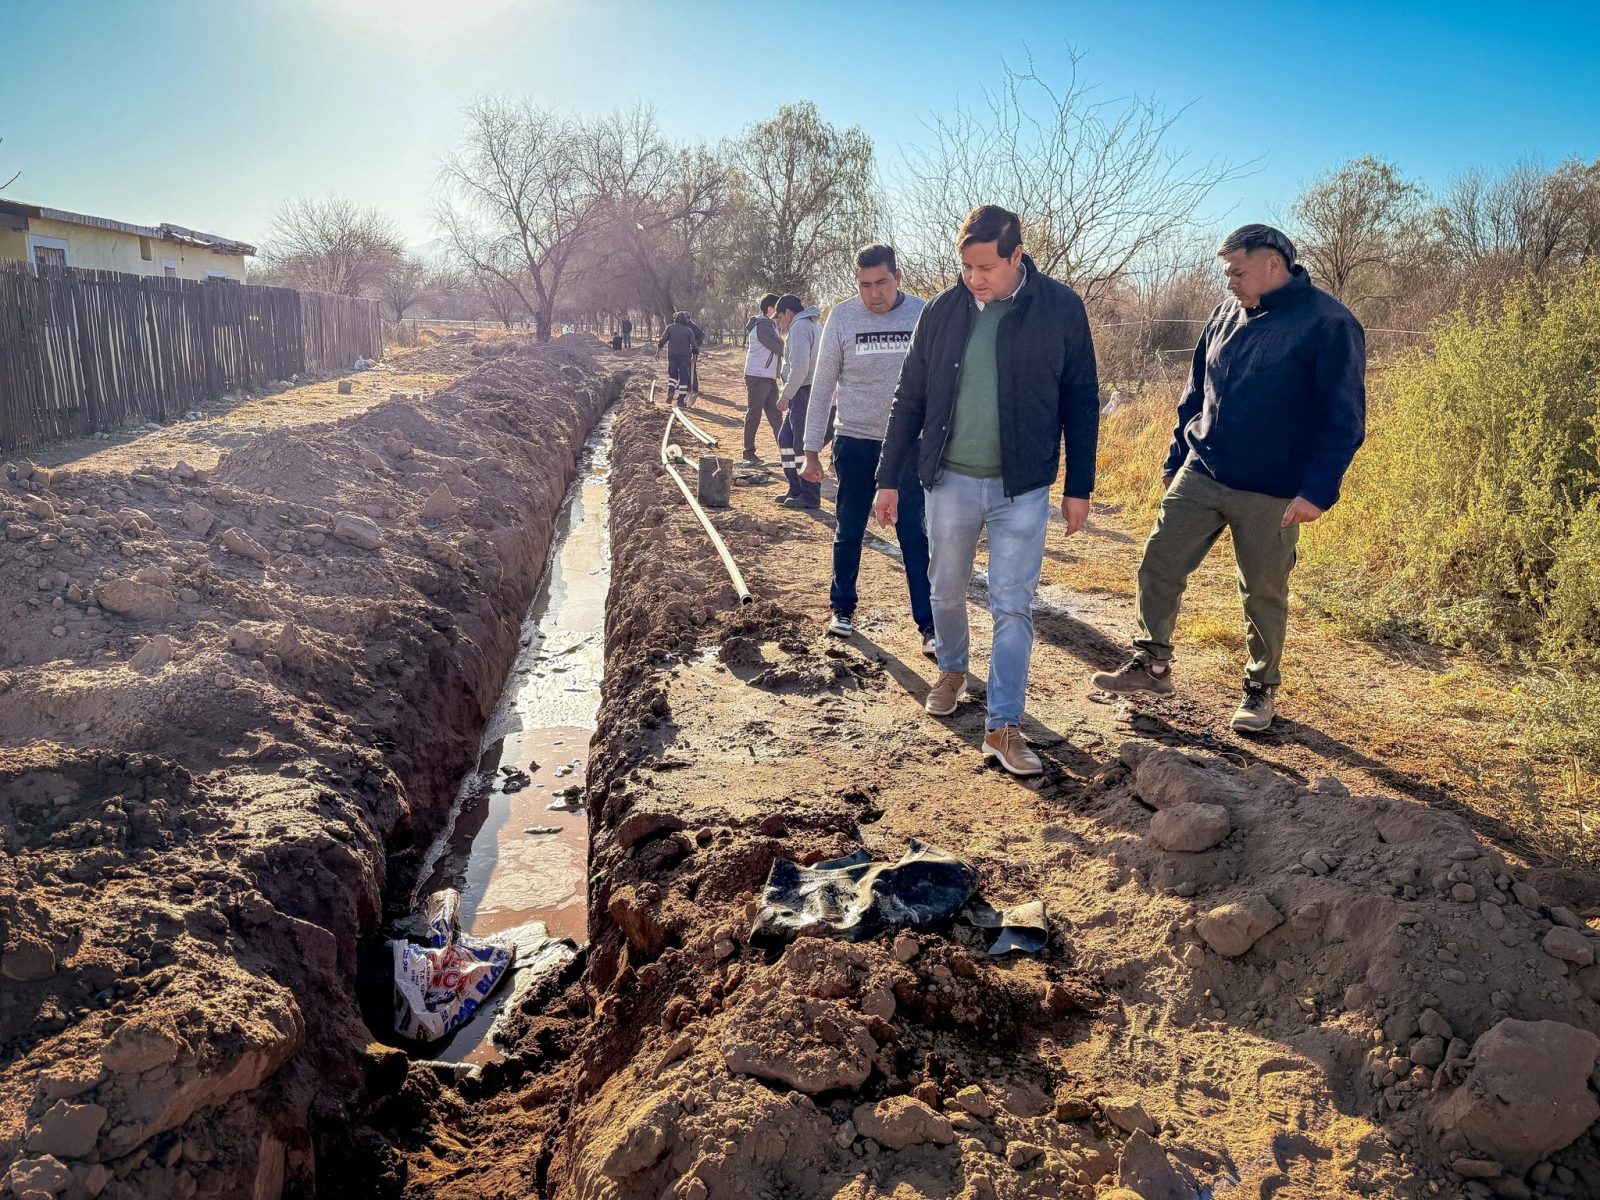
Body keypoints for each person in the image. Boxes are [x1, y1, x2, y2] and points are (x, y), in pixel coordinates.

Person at [1091, 224, 1366, 733]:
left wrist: (1317, 490)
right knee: (1159, 561)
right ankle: (1152, 663)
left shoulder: (1329, 324)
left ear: (1273, 266)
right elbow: (1195, 390)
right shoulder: (1225, 313)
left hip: (1274, 487)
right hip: (1204, 468)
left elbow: (1344, 418)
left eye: (1237, 272)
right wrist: (1177, 458)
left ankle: (1260, 689)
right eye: (1227, 273)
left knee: (1262, 590)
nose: (1230, 282)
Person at [874, 204, 1099, 777]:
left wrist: (1080, 486)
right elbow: (911, 397)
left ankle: (1002, 724)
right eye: (966, 267)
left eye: (985, 268)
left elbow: (1081, 400)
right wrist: (888, 477)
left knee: (1012, 604)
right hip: (948, 479)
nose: (973, 278)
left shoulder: (1061, 310)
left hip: (1022, 487)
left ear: (1016, 256)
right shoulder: (943, 313)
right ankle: (951, 668)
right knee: (945, 588)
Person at [800, 244, 934, 653]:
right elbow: (822, 386)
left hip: (910, 445)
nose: (873, 293)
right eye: (864, 285)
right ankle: (842, 609)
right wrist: (810, 450)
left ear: (899, 277)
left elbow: (943, 383)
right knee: (849, 527)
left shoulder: (923, 314)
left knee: (914, 533)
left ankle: (929, 626)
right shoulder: (841, 317)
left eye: (881, 283)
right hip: (855, 440)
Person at [774, 294, 822, 508]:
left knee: (801, 444)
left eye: (780, 317)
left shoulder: (800, 328)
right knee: (786, 440)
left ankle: (810, 495)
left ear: (788, 312)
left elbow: (800, 369)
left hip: (804, 391)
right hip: (804, 391)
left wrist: (786, 395)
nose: (779, 321)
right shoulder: (811, 326)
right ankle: (795, 488)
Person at [743, 293, 784, 462]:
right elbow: (778, 347)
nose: (780, 313)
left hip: (766, 376)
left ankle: (785, 451)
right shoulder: (764, 326)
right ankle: (748, 452)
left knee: (776, 415)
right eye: (778, 309)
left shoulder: (767, 324)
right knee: (755, 413)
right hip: (758, 376)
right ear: (770, 309)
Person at [656, 311, 699, 406]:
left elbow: (662, 341)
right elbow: (694, 347)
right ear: (684, 320)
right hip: (684, 357)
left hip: (672, 355)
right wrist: (694, 357)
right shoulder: (688, 330)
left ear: (675, 319)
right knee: (683, 378)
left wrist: (657, 353)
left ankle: (671, 392)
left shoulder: (670, 328)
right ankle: (680, 400)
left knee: (672, 375)